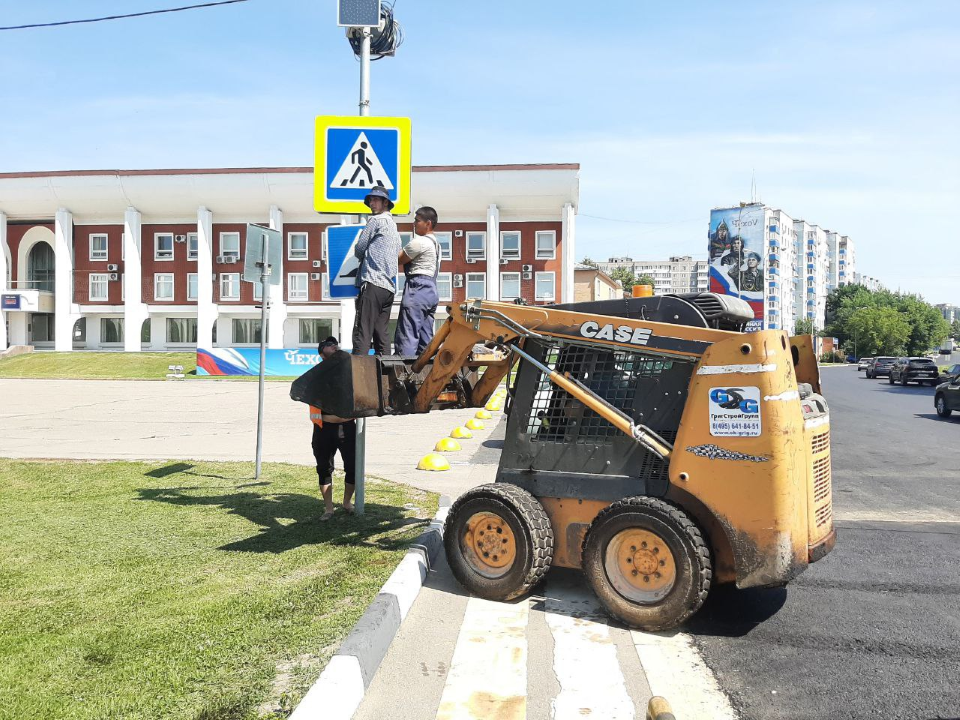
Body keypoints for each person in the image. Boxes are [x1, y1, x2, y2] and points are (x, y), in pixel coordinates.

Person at [309, 337, 357, 520]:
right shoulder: (314, 375)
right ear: (321, 353)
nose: (334, 346)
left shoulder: (347, 372)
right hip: (324, 429)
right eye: (329, 345)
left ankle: (346, 502)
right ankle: (329, 509)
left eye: (335, 343)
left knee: (352, 467)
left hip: (347, 427)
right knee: (324, 468)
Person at [353, 186, 401, 355]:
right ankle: (385, 377)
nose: (371, 203)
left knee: (362, 331)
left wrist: (364, 255)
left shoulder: (376, 221)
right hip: (388, 288)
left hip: (373, 282)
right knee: (382, 334)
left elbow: (359, 249)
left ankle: (358, 378)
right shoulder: (394, 227)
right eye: (370, 200)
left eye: (375, 200)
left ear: (385, 202)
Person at [394, 206, 441, 356]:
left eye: (417, 220)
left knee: (408, 332)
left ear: (428, 223)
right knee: (425, 337)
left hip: (417, 287)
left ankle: (403, 373)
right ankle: (425, 372)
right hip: (431, 290)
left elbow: (399, 259)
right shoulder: (436, 244)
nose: (414, 223)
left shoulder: (420, 242)